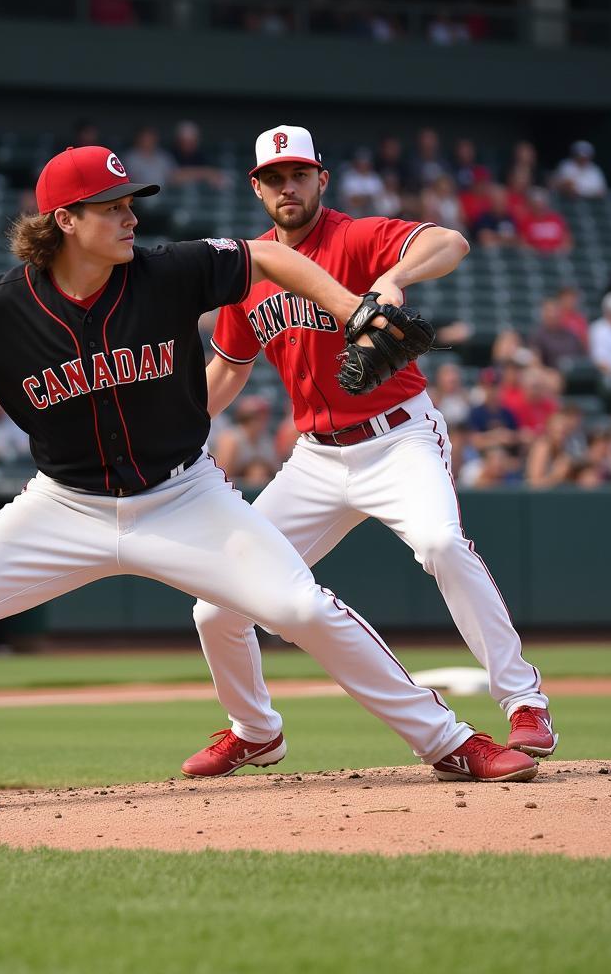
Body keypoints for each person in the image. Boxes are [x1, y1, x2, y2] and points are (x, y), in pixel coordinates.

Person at [0, 144, 536, 819]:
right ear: (64, 222)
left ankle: (449, 742)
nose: (131, 216)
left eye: (129, 202)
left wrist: (356, 306)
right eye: (112, 206)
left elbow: (269, 261)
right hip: (62, 507)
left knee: (297, 608)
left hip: (185, 496)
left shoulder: (168, 271)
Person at [181, 124, 554, 781]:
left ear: (322, 179)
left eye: (298, 174)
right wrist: (174, 427)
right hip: (316, 461)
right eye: (273, 177)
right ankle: (255, 731)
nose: (286, 186)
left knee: (441, 546)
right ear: (257, 187)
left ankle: (525, 701)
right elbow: (230, 369)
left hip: (398, 436)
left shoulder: (353, 238)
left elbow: (451, 240)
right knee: (216, 604)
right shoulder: (251, 270)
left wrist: (394, 280)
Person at [518, 187, 572, 254]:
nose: (540, 206)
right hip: (534, 258)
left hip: (556, 257)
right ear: (531, 204)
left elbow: (566, 241)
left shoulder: (556, 219)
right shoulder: (525, 220)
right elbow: (523, 243)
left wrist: (557, 251)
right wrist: (538, 252)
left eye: (542, 202)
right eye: (536, 203)